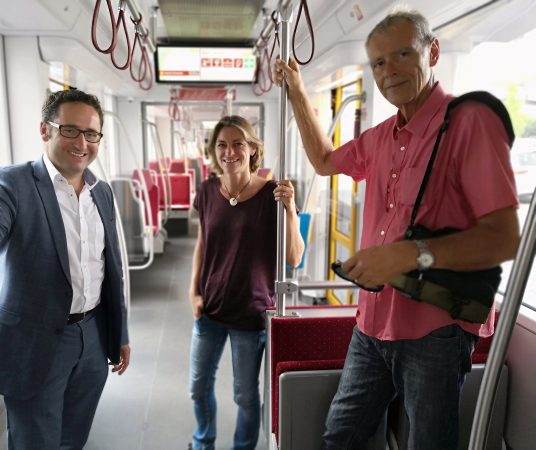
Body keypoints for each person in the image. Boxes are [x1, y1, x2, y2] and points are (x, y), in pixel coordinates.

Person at [273, 8, 520, 450]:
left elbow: (502, 237)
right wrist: (296, 92)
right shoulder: (382, 135)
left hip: (436, 332)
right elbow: (324, 161)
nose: (389, 72)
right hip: (372, 327)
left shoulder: (470, 125)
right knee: (340, 437)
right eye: (379, 63)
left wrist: (410, 254)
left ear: (434, 52)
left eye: (403, 54)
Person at [0, 89, 131, 450]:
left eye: (91, 134)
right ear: (45, 130)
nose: (82, 142)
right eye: (70, 130)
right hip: (36, 342)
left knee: (74, 438)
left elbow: (110, 268)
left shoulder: (101, 192)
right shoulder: (13, 184)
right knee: (34, 443)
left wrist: (120, 332)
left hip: (92, 335)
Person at [188, 115, 305, 450]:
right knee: (197, 387)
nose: (229, 151)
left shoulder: (272, 193)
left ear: (252, 148)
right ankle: (202, 442)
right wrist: (193, 292)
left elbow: (294, 257)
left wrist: (291, 212)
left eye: (237, 143)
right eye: (222, 144)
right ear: (213, 151)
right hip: (210, 309)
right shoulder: (209, 190)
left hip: (251, 313)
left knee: (245, 395)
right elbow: (202, 243)